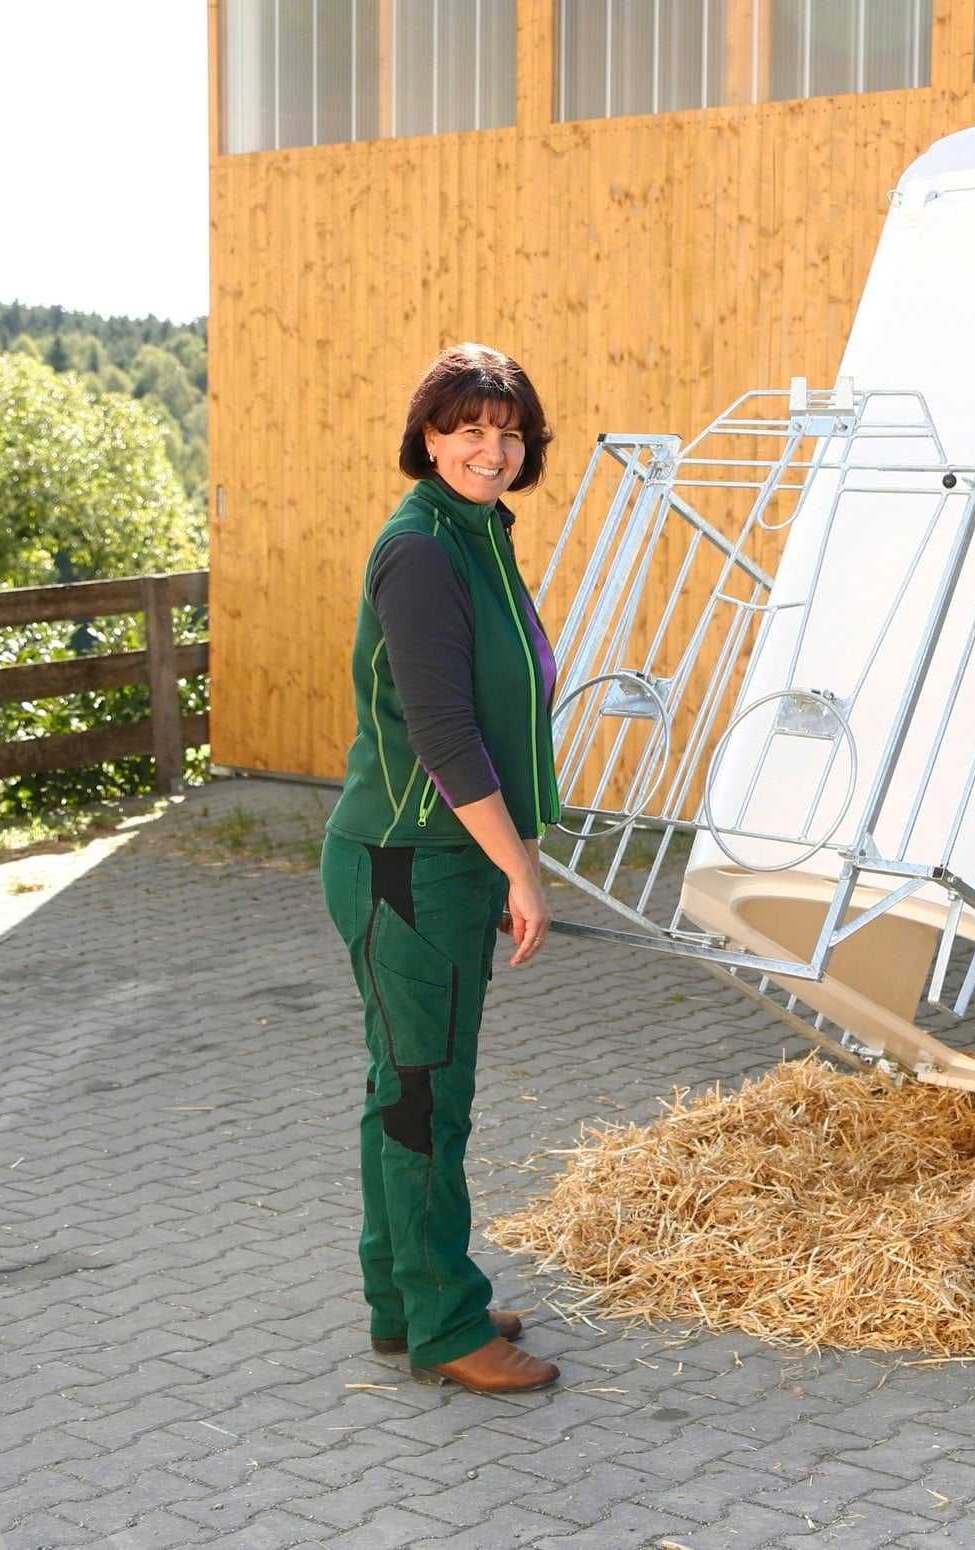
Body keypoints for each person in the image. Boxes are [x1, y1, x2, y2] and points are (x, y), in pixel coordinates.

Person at [320, 343, 563, 1394]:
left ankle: (410, 1295)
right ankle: (446, 1327)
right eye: (468, 429)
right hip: (414, 863)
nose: (491, 448)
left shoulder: (475, 535)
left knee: (406, 1088)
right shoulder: (421, 547)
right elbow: (444, 734)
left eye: (507, 431)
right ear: (428, 437)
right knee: (427, 1097)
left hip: (432, 858)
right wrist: (522, 869)